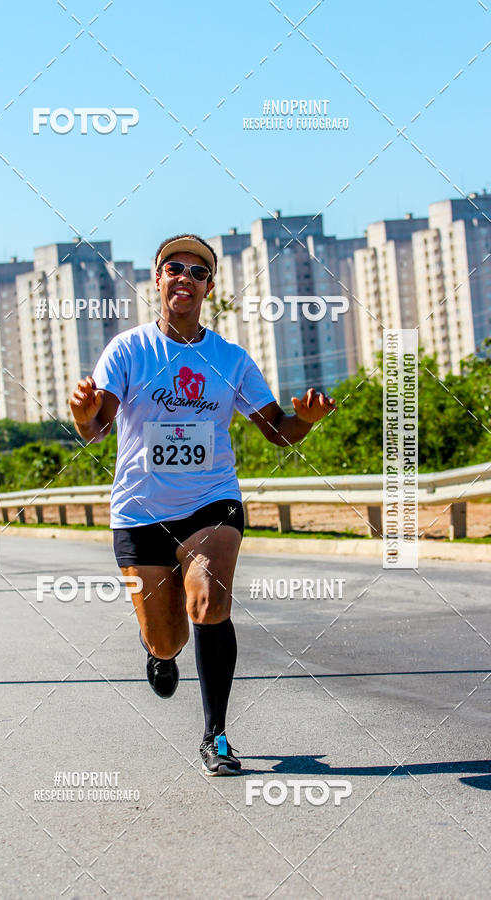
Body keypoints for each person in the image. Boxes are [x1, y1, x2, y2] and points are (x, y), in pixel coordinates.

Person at [69, 234, 335, 775]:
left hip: (211, 500)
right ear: (158, 280)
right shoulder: (129, 350)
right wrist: (82, 415)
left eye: (198, 271)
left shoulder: (230, 359)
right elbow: (97, 428)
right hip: (140, 511)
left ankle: (216, 736)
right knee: (166, 638)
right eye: (174, 267)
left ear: (209, 288)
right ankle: (159, 654)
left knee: (209, 602)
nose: (185, 277)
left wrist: (305, 422)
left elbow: (276, 430)